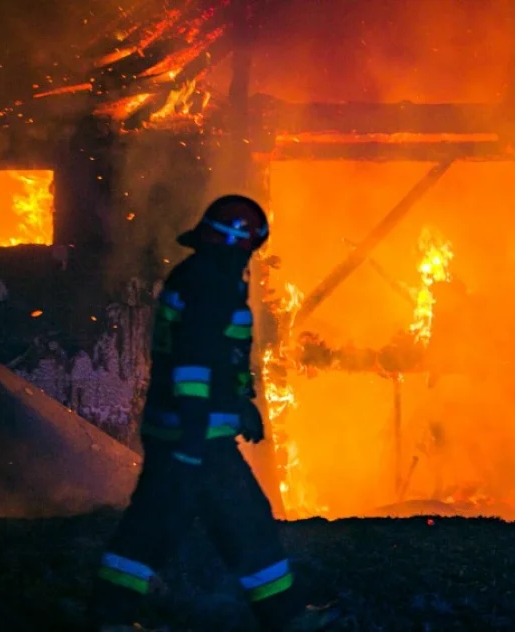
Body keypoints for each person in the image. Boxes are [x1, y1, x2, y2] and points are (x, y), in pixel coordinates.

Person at [90, 195, 340, 632]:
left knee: (236, 522)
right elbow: (193, 364)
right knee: (165, 527)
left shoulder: (200, 276)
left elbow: (219, 357)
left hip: (194, 434)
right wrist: (191, 439)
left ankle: (282, 615)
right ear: (241, 242)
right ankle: (108, 617)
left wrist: (241, 405)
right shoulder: (210, 282)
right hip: (193, 437)